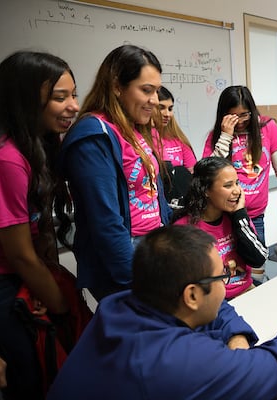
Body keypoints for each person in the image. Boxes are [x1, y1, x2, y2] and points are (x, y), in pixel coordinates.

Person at [47, 224, 277, 399]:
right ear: (192, 295)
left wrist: (236, 335)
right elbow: (275, 366)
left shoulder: (121, 304)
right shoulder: (177, 361)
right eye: (221, 276)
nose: (226, 286)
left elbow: (219, 307)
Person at [60, 45, 172, 302]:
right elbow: (106, 222)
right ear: (117, 86)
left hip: (153, 248)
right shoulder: (93, 135)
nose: (154, 100)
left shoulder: (134, 126)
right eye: (146, 90)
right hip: (125, 260)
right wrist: (136, 280)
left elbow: (155, 195)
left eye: (155, 91)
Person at [0, 51, 78, 399]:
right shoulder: (8, 159)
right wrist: (59, 305)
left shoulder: (39, 146)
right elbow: (19, 255)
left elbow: (41, 235)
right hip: (6, 283)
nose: (74, 106)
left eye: (74, 94)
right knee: (31, 377)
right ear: (25, 100)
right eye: (60, 97)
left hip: (29, 275)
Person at [203, 85, 277, 247]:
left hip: (255, 216)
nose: (240, 121)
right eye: (233, 116)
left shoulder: (268, 127)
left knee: (257, 264)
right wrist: (225, 137)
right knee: (230, 266)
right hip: (224, 215)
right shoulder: (215, 136)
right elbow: (207, 174)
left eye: (244, 115)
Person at [172, 157, 268, 299]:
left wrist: (240, 216)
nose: (237, 191)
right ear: (206, 190)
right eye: (228, 185)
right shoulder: (185, 229)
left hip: (245, 290)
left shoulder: (237, 216)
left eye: (237, 183)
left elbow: (259, 259)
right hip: (215, 302)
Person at [155, 86, 196, 172]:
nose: (167, 114)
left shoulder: (179, 139)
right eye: (161, 108)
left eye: (170, 109)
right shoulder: (141, 140)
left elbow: (194, 175)